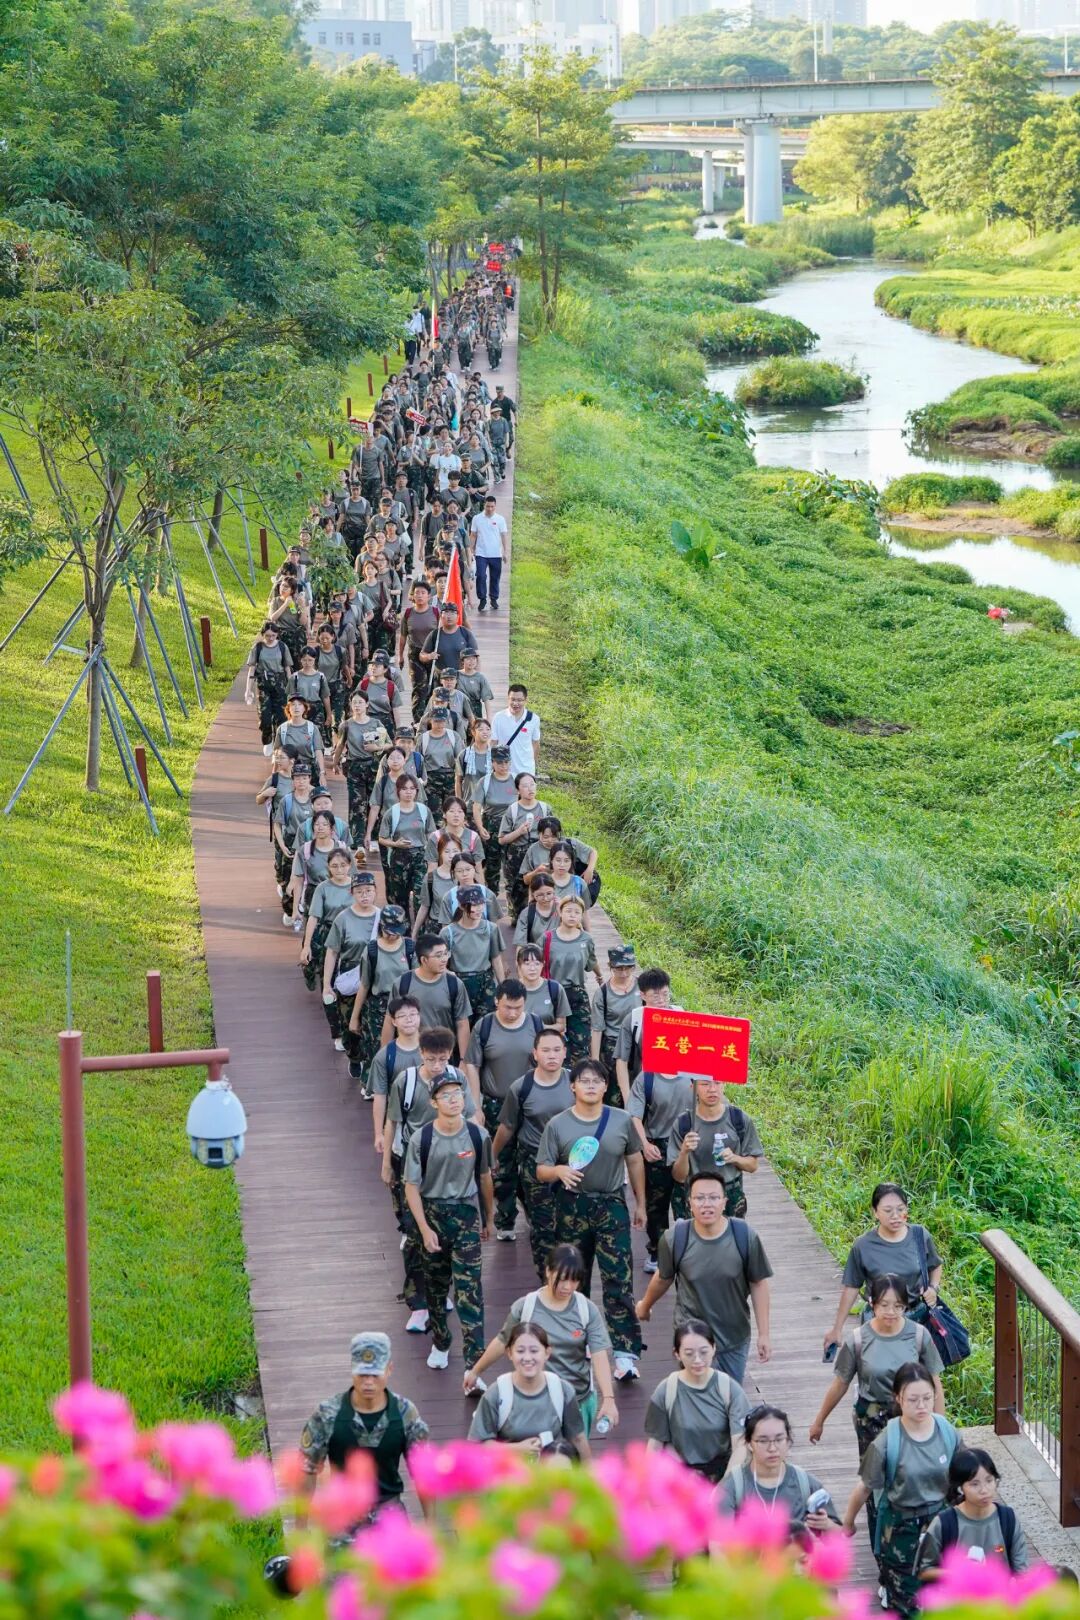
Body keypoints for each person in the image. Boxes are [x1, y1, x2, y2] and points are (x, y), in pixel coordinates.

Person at [535, 1060, 646, 1383]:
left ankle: (625, 1352)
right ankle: (577, 1339)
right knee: (573, 1278)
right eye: (584, 1081)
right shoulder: (558, 1125)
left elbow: (634, 1161)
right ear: (573, 1086)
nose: (591, 1086)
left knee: (618, 1278)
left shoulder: (621, 1120)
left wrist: (640, 1203)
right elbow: (541, 1170)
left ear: (606, 1087)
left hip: (611, 1204)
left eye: (597, 1081)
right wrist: (558, 1171)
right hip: (572, 1206)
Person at [843, 1363, 961, 1618]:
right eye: (913, 1400)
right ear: (898, 1398)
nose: (922, 1406)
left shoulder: (947, 1432)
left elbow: (966, 1473)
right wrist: (848, 1522)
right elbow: (865, 1486)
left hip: (940, 1525)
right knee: (907, 1605)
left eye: (927, 1398)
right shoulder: (887, 1441)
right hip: (900, 1530)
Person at [810, 1274, 945, 1496]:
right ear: (872, 1304)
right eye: (884, 1305)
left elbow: (935, 1384)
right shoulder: (858, 1340)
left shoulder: (919, 1336)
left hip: (912, 1415)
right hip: (871, 1419)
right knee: (874, 1483)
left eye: (898, 1306)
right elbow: (840, 1383)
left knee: (909, 1478)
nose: (890, 1312)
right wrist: (819, 1421)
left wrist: (941, 1427)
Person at [636, 1169, 773, 1384]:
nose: (706, 1204)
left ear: (724, 1202)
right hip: (691, 1338)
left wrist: (764, 1334)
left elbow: (758, 1283)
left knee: (728, 1395)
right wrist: (645, 1305)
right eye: (699, 1198)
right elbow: (663, 1277)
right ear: (689, 1202)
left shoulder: (744, 1236)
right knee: (697, 1394)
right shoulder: (675, 1238)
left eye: (714, 1198)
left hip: (733, 1337)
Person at [465, 1244, 616, 1437]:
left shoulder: (587, 1310)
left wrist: (608, 1398)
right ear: (548, 1271)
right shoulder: (526, 1307)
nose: (568, 1287)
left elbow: (599, 1354)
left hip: (576, 1400)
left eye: (574, 1280)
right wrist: (476, 1371)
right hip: (536, 1400)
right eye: (562, 1279)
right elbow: (503, 1341)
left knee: (576, 1452)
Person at [403, 1071, 493, 1374]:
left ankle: (474, 1364)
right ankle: (441, 1342)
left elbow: (485, 1178)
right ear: (433, 1102)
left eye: (458, 1094)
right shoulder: (422, 1138)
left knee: (470, 1291)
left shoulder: (478, 1135)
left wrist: (488, 1218)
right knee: (436, 1286)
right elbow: (411, 1186)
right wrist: (424, 1228)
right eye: (445, 1095)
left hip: (466, 1214)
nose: (454, 1100)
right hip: (432, 1215)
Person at [384, 1027, 472, 1336]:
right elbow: (393, 1122)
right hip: (411, 1165)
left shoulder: (457, 1079)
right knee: (413, 1234)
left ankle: (439, 1291)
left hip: (448, 1167)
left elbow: (471, 1117)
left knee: (444, 1233)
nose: (437, 1066)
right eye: (431, 1059)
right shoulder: (405, 1082)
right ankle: (418, 1303)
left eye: (443, 1059)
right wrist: (386, 1164)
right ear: (421, 1054)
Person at [298, 1332, 429, 1528]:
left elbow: (423, 1472)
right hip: (343, 1517)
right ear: (352, 1370)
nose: (368, 1382)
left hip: (388, 1516)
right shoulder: (328, 1414)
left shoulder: (404, 1414)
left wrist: (431, 1525)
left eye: (375, 1374)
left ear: (389, 1369)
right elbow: (307, 1468)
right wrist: (301, 1529)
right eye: (362, 1375)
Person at [463, 978, 545, 1240]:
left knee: (532, 1161)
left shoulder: (535, 1024)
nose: (512, 1013)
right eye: (508, 1007)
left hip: (529, 1102)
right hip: (495, 1103)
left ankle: (534, 1213)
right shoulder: (485, 1026)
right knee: (501, 1164)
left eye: (518, 1008)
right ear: (497, 1001)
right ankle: (506, 1219)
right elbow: (472, 1065)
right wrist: (475, 1105)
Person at [825, 1183, 944, 1356]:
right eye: (888, 1210)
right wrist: (837, 1328)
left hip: (915, 1319)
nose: (895, 1216)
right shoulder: (863, 1246)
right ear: (875, 1212)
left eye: (900, 1209)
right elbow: (851, 1287)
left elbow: (935, 1265)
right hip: (877, 1323)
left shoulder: (919, 1236)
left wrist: (933, 1288)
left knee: (913, 1370)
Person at [645, 1320, 750, 1482]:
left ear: (714, 1349)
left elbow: (741, 1444)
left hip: (722, 1474)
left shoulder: (729, 1389)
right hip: (679, 1478)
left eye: (703, 1352)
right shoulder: (666, 1390)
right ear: (677, 1354)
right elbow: (655, 1444)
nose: (697, 1360)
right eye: (689, 1353)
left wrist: (726, 1485)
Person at [467, 1322, 590, 1457]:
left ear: (547, 1353)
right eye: (520, 1351)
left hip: (552, 1469)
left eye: (534, 1351)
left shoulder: (562, 1390)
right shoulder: (496, 1394)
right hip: (508, 1469)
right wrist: (517, 1449)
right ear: (509, 1353)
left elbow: (577, 1438)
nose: (527, 1358)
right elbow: (477, 1446)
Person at [719, 1406, 839, 1542]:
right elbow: (719, 1545)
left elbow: (839, 1536)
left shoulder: (806, 1484)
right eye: (763, 1441)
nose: (772, 1448)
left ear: (788, 1441)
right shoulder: (733, 1487)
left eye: (779, 1439)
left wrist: (827, 1525)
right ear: (749, 1444)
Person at [628, 1065, 697, 1274]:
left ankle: (690, 1251)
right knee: (656, 1203)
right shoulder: (647, 1078)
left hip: (686, 1143)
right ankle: (657, 1251)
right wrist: (644, 1145)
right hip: (657, 1146)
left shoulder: (694, 1073)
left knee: (687, 1201)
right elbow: (634, 1116)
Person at [918, 1449, 1029, 1575]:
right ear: (960, 1488)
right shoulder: (945, 1523)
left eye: (989, 1481)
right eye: (975, 1484)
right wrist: (959, 1573)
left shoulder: (1008, 1519)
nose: (984, 1490)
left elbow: (1022, 1571)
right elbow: (924, 1571)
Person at [668, 1076, 763, 1218]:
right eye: (705, 1084)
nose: (712, 1089)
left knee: (730, 1233)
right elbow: (678, 1176)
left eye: (717, 1083)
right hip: (695, 1194)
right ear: (693, 1088)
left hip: (730, 1194)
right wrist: (684, 1152)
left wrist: (734, 1158)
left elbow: (753, 1166)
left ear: (724, 1085)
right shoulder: (684, 1124)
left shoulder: (739, 1119)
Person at [348, 906, 416, 1086]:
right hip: (378, 1006)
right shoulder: (372, 950)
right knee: (377, 1050)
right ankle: (373, 1085)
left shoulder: (410, 948)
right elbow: (364, 985)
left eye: (396, 931)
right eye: (389, 931)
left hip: (405, 1004)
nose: (393, 935)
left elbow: (417, 979)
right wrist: (355, 1017)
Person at [382, 933, 472, 1059]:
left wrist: (463, 1060)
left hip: (442, 1055)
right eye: (438, 955)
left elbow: (462, 1023)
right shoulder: (403, 983)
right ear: (423, 960)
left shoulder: (455, 984)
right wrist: (386, 1057)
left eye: (445, 953)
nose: (444, 959)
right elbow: (390, 1021)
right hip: (410, 1054)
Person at [539, 897, 597, 1062]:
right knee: (552, 1041)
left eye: (577, 912)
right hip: (553, 993)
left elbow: (591, 963)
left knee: (581, 1041)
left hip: (577, 994)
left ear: (582, 915)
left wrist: (600, 976)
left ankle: (578, 1074)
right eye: (568, 911)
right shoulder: (547, 938)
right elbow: (537, 964)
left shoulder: (586, 939)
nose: (572, 915)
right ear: (560, 912)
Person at [440, 887, 505, 1025]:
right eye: (474, 905)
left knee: (486, 1025)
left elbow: (496, 959)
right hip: (460, 984)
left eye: (481, 904)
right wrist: (448, 974)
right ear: (461, 906)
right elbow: (440, 964)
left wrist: (503, 987)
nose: (479, 909)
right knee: (461, 1025)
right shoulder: (448, 933)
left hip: (485, 983)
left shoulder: (491, 928)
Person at [333, 689, 389, 849]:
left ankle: (373, 838)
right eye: (354, 703)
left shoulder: (376, 724)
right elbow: (340, 745)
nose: (357, 706)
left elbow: (389, 744)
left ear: (367, 704)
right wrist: (335, 763)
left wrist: (376, 747)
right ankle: (357, 842)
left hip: (373, 767)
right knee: (357, 804)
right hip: (355, 767)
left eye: (360, 702)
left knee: (375, 803)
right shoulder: (346, 725)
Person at [370, 995, 423, 1157]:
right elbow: (380, 1096)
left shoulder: (433, 1048)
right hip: (400, 1121)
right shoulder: (385, 1056)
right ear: (393, 1021)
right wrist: (379, 1133)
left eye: (413, 1014)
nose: (409, 1019)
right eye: (402, 1016)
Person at [299, 846, 354, 996]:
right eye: (334, 866)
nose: (339, 870)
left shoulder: (357, 887)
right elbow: (313, 917)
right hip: (327, 932)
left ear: (349, 865)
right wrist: (306, 945)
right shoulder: (322, 888)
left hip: (349, 934)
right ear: (328, 867)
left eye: (343, 865)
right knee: (323, 968)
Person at [378, 773, 433, 922]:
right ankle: (403, 930)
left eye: (412, 788)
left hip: (420, 857)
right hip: (399, 858)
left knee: (420, 896)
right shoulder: (392, 813)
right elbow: (382, 838)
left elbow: (431, 833)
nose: (409, 792)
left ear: (417, 791)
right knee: (400, 898)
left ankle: (420, 930)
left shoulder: (424, 810)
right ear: (398, 791)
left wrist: (432, 854)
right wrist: (395, 844)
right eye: (404, 789)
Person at [614, 968, 675, 1099]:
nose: (662, 1000)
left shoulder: (681, 1017)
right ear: (643, 995)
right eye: (655, 996)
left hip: (675, 1090)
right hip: (644, 1088)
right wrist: (627, 1097)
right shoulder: (634, 1020)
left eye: (665, 994)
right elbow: (621, 1060)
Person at [590, 945, 641, 1086]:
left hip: (638, 1044)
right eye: (619, 968)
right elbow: (597, 1029)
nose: (624, 973)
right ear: (610, 966)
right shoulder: (603, 993)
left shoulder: (641, 986)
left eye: (628, 968)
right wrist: (595, 1062)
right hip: (613, 1046)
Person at [472, 746, 518, 894]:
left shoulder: (517, 780)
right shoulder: (485, 782)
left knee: (512, 864)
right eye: (499, 763)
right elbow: (476, 807)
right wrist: (480, 828)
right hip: (491, 826)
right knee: (492, 864)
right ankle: (491, 895)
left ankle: (513, 897)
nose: (503, 766)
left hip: (512, 827)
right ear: (492, 762)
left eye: (506, 762)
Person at [245, 621, 292, 753]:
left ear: (277, 635)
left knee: (281, 716)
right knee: (265, 716)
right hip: (263, 685)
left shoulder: (282, 647)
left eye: (273, 635)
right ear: (263, 635)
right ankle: (267, 740)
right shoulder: (258, 648)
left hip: (280, 685)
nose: (270, 638)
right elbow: (252, 669)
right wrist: (248, 690)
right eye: (267, 636)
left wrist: (291, 687)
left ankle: (279, 743)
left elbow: (287, 668)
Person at [514, 941, 570, 1032]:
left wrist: (539, 1027)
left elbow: (561, 1025)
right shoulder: (511, 989)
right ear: (519, 965)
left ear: (543, 964)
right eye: (527, 964)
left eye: (537, 963)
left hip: (547, 1039)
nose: (532, 969)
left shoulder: (555, 988)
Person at [492, 683, 541, 778]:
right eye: (512, 699)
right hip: (504, 770)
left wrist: (532, 765)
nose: (515, 703)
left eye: (519, 700)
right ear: (508, 699)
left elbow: (536, 744)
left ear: (526, 700)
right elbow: (493, 742)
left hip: (526, 770)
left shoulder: (534, 719)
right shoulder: (498, 717)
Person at [469, 494, 508, 613]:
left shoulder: (500, 519)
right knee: (481, 576)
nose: (490, 509)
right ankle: (482, 598)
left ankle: (494, 598)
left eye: (492, 506)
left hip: (496, 553)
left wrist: (505, 551)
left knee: (495, 577)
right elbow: (473, 535)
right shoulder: (477, 518)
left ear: (495, 506)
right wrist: (471, 550)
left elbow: (503, 535)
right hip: (481, 553)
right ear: (484, 506)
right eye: (487, 506)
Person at [419, 600, 476, 676]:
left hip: (461, 677)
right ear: (441, 616)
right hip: (441, 678)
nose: (449, 616)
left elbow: (476, 656)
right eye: (446, 612)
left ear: (458, 616)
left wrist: (475, 676)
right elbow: (422, 655)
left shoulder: (465, 633)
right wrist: (429, 656)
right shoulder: (435, 634)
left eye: (452, 613)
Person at [513, 875, 560, 949]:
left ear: (554, 890)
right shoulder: (526, 913)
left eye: (549, 893)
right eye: (540, 895)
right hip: (536, 954)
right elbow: (520, 944)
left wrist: (561, 912)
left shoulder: (563, 908)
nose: (545, 898)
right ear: (533, 894)